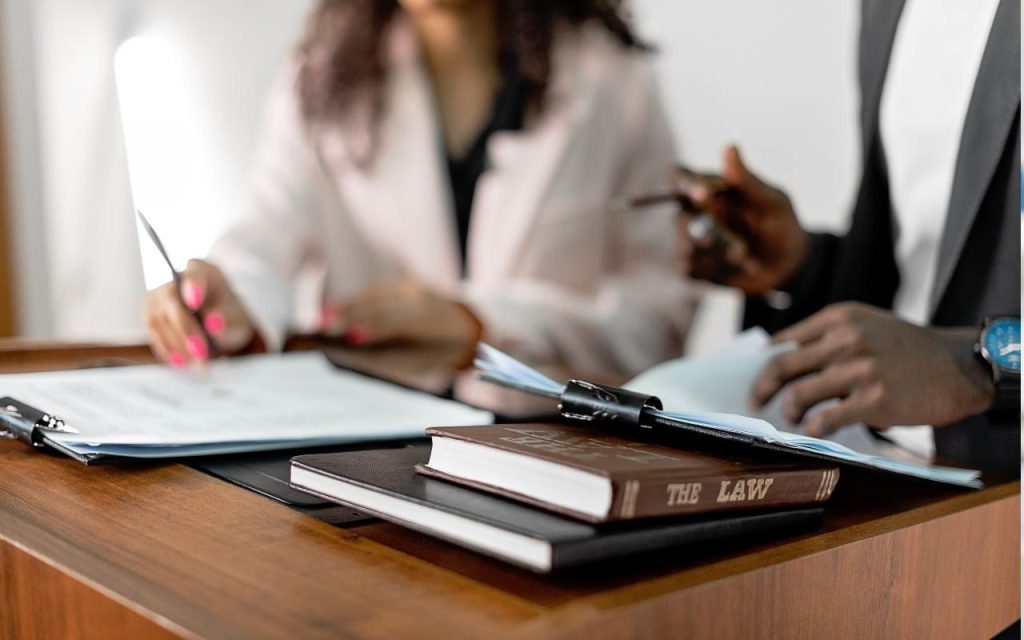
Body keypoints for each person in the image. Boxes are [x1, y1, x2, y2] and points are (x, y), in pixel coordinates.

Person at [144, 0, 694, 377]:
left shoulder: (615, 83)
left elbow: (660, 318)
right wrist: (231, 297)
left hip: (555, 451)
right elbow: (268, 227)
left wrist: (483, 326)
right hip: (367, 448)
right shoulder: (321, 77)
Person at [673, 0, 1020, 473]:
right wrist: (802, 269)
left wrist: (983, 367)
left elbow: (944, 351)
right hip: (893, 474)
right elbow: (917, 283)